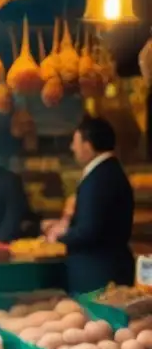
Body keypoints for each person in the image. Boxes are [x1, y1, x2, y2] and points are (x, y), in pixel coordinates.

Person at [47, 117, 134, 293]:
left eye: (75, 142)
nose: (72, 148)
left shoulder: (100, 178)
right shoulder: (108, 171)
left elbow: (89, 231)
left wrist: (58, 238)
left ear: (88, 145)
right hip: (106, 269)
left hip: (98, 274)